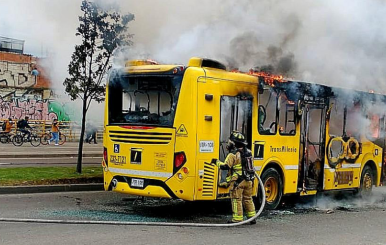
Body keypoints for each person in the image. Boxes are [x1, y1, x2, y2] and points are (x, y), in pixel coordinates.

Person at [214, 131, 256, 224]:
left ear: (234, 143)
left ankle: (237, 219)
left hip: (238, 181)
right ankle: (252, 217)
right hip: (249, 180)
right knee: (248, 198)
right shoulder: (249, 152)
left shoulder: (232, 154)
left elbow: (225, 166)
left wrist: (215, 161)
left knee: (236, 199)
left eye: (230, 142)